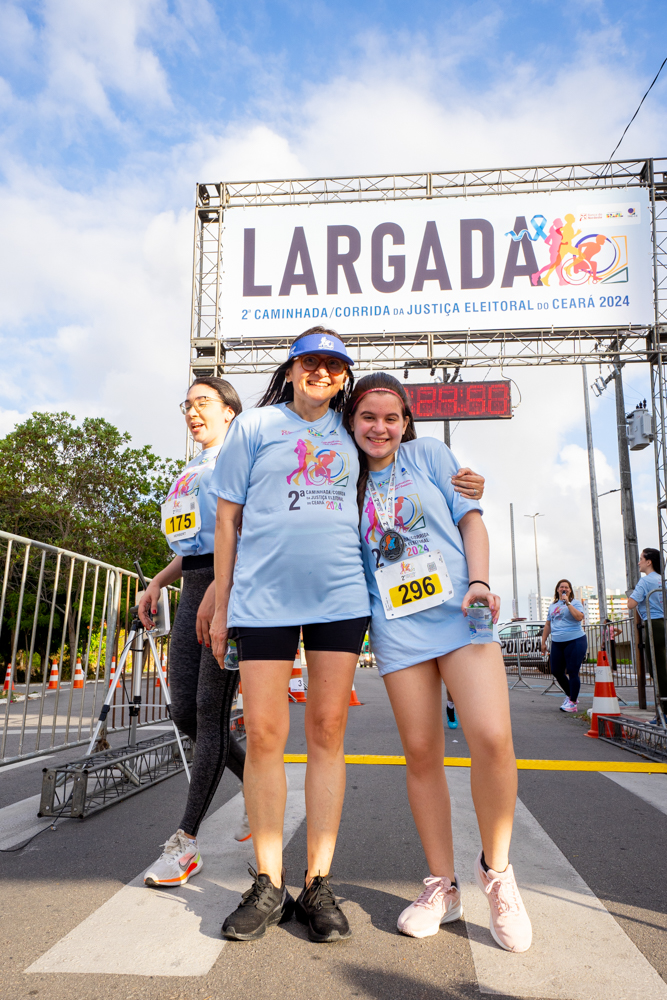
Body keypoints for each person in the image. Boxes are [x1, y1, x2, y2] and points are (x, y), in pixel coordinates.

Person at [207, 327, 484, 943]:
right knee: (265, 736)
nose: (324, 373)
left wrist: (466, 485)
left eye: (336, 366)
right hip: (262, 601)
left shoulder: (352, 430)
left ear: (344, 377)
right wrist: (220, 598)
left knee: (328, 731)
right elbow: (227, 518)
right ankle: (269, 882)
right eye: (312, 362)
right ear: (291, 367)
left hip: (340, 599)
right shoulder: (253, 428)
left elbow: (403, 464)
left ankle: (318, 883)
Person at [343, 372, 532, 954]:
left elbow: (470, 518)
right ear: (352, 421)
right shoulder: (342, 477)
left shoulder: (429, 454)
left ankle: (497, 874)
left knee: (493, 739)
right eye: (368, 417)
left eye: (391, 417)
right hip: (396, 631)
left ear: (405, 422)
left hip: (459, 614)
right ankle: (441, 887)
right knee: (422, 753)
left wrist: (479, 580)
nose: (380, 428)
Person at [137, 376, 247, 887]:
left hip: (227, 589)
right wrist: (159, 581)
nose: (192, 411)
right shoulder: (192, 466)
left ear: (230, 410)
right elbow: (195, 542)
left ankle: (185, 842)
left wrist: (221, 589)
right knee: (183, 710)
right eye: (188, 404)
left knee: (209, 710)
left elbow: (247, 529)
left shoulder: (241, 454)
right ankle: (257, 785)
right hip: (194, 588)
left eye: (203, 402)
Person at [628, 548, 667, 722]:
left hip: (653, 625)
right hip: (665, 623)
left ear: (649, 561)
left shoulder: (645, 582)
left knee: (657, 670)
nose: (639, 562)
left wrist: (631, 596)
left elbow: (631, 604)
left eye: (641, 559)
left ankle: (664, 713)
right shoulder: (663, 580)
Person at [540, 580, 586, 713]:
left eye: (566, 587)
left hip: (575, 639)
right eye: (561, 587)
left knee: (572, 671)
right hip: (557, 641)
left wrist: (568, 603)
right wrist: (543, 642)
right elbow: (548, 624)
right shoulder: (552, 606)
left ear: (570, 590)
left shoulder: (575, 603)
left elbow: (579, 617)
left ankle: (572, 703)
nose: (564, 589)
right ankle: (571, 696)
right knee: (556, 670)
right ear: (557, 590)